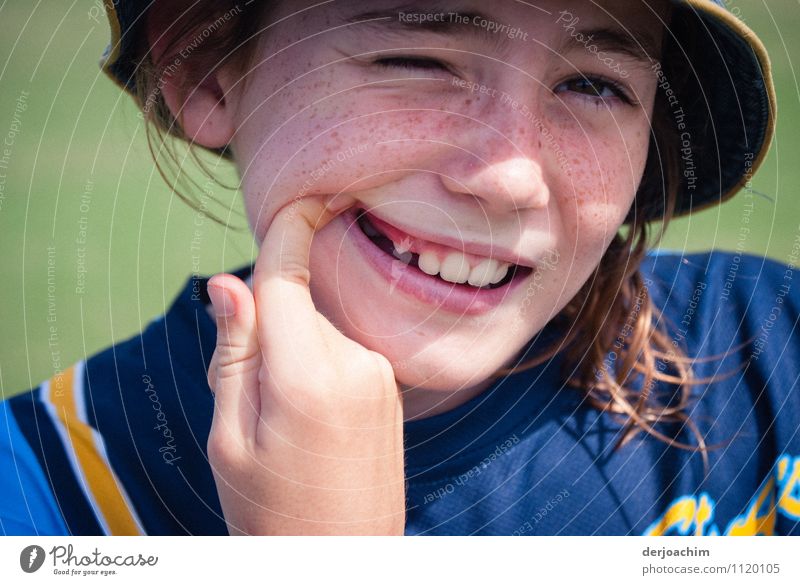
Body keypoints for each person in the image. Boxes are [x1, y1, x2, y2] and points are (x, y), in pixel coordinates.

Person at [1, 0, 797, 536]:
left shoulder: (771, 354)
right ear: (206, 65)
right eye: (418, 58)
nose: (508, 176)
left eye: (594, 85)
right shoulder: (50, 489)